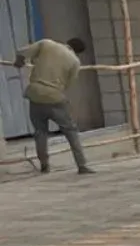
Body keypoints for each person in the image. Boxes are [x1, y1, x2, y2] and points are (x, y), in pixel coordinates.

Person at [13, 36, 94, 174]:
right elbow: (68, 84)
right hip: (55, 97)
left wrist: (19, 62)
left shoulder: (47, 44)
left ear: (67, 42)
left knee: (40, 132)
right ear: (78, 52)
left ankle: (44, 165)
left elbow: (21, 52)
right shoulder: (75, 61)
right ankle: (82, 165)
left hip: (35, 94)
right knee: (71, 131)